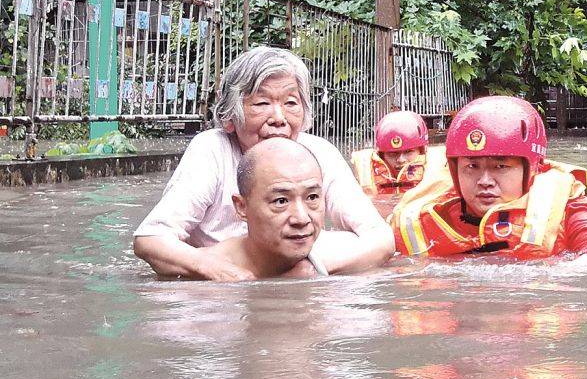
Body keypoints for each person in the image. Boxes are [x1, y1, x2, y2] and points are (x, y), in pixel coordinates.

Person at [132, 46, 394, 279]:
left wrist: (310, 268)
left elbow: (380, 239)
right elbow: (152, 240)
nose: (279, 118)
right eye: (262, 103)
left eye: (291, 102)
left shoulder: (318, 152)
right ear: (230, 117)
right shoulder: (212, 149)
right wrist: (222, 271)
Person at [392, 95, 587, 267]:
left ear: (532, 169)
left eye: (501, 166)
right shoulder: (427, 215)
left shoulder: (566, 208)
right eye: (471, 167)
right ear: (454, 170)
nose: (484, 181)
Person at [176, 137, 329, 281]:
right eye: (281, 201)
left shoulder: (342, 256)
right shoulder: (203, 279)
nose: (302, 219)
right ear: (241, 207)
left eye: (312, 197)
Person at [350, 109, 446, 211]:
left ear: (422, 151)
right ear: (381, 155)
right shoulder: (360, 174)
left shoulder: (441, 171)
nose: (401, 160)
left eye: (408, 152)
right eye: (392, 154)